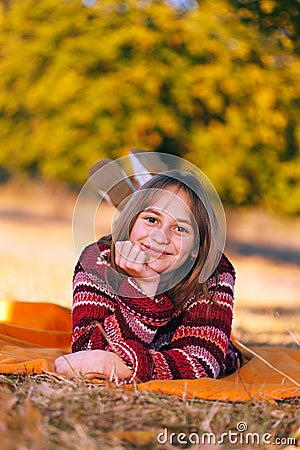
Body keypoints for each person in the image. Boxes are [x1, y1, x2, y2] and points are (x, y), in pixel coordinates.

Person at [55, 168, 242, 383]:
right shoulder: (98, 260)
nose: (159, 237)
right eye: (152, 220)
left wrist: (126, 368)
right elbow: (88, 351)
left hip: (215, 348)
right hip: (160, 353)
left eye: (180, 228)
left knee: (228, 357)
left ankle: (142, 195)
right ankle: (139, 196)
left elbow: (201, 364)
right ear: (131, 223)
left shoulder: (213, 272)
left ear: (196, 248)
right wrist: (142, 290)